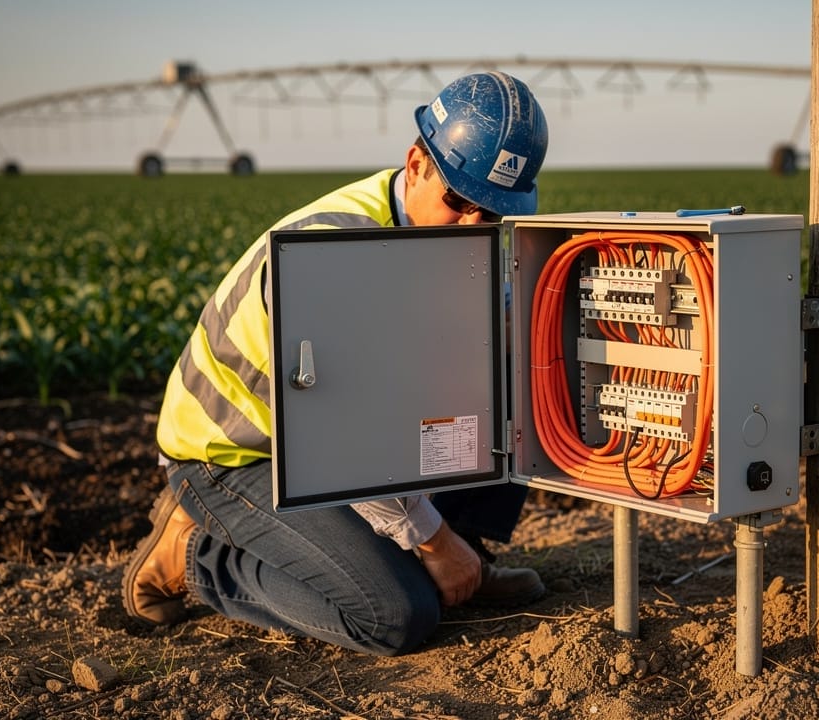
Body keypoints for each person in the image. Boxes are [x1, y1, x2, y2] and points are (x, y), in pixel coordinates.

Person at [122, 71, 550, 656]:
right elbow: (342, 443)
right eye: (458, 201)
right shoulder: (339, 254)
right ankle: (197, 554)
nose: (473, 225)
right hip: (243, 452)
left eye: (492, 213)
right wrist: (431, 539)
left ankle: (463, 556)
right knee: (394, 616)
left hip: (332, 440)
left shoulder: (441, 237)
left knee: (509, 376)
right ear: (417, 163)